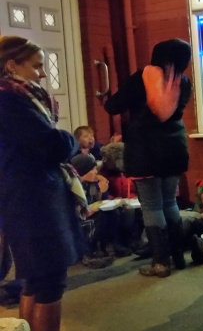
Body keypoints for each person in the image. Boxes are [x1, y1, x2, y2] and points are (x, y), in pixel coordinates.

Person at [0, 36, 84, 331]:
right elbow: (53, 145)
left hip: (27, 196)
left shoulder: (16, 98)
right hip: (33, 199)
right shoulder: (10, 101)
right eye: (37, 67)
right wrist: (71, 138)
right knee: (50, 279)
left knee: (36, 278)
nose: (44, 74)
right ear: (12, 65)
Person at [104, 38, 193, 278]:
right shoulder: (183, 81)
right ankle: (177, 257)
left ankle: (160, 263)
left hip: (146, 149)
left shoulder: (143, 78)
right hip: (175, 146)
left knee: (152, 206)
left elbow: (113, 106)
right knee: (170, 203)